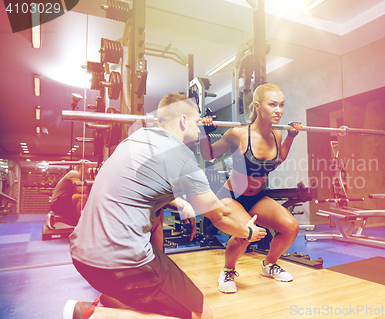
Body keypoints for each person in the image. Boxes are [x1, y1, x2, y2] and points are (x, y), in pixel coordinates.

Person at [64, 93, 267, 319]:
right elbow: (220, 216)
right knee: (201, 315)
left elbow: (138, 184)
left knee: (134, 297)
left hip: (82, 256)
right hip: (121, 262)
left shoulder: (136, 139)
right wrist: (248, 232)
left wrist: (178, 201)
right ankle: (93, 316)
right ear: (183, 120)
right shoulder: (181, 158)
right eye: (197, 121)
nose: (199, 128)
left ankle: (110, 304)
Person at [199, 83, 302, 294]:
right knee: (248, 233)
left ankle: (269, 265)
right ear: (257, 106)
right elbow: (208, 155)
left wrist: (291, 136)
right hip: (232, 197)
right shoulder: (238, 134)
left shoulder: (277, 135)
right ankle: (228, 270)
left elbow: (279, 159)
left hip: (257, 198)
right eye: (272, 104)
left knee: (291, 227)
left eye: (281, 105)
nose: (279, 110)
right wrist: (203, 132)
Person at [47, 160, 91, 229]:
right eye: (90, 170)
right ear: (84, 169)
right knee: (82, 197)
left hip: (64, 201)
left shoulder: (79, 178)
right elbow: (82, 190)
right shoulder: (74, 174)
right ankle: (82, 222)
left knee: (74, 222)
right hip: (57, 203)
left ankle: (55, 218)